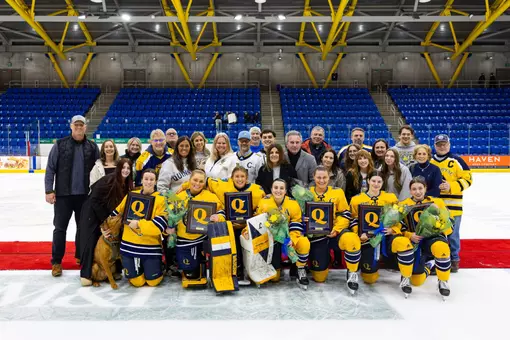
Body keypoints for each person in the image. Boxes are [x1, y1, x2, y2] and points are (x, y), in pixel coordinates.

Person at [45, 114, 100, 277]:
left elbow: (98, 172)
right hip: (63, 196)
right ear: (71, 127)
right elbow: (50, 168)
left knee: (83, 229)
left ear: (85, 127)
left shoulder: (92, 147)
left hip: (84, 196)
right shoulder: (60, 145)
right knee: (60, 229)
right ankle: (56, 262)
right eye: (75, 125)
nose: (78, 127)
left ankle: (80, 256)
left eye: (81, 125)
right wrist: (49, 190)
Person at [349, 171, 415, 297]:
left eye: (379, 181)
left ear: (383, 183)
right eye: (373, 181)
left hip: (387, 236)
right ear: (368, 181)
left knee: (403, 243)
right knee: (370, 278)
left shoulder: (390, 198)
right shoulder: (357, 199)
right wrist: (359, 233)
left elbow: (400, 220)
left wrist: (393, 230)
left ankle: (406, 278)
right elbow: (353, 220)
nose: (376, 184)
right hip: (367, 238)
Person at [206, 165, 265, 284]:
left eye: (242, 176)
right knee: (234, 246)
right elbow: (206, 180)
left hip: (247, 227)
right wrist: (184, 186)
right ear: (231, 178)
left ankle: (253, 270)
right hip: (231, 226)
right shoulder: (224, 186)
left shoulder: (257, 190)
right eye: (237, 176)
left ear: (247, 178)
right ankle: (236, 272)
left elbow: (262, 206)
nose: (240, 179)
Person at [79, 159, 133, 286]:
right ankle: (86, 273)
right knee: (91, 239)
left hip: (107, 213)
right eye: (123, 167)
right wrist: (104, 223)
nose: (125, 170)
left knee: (114, 238)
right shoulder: (108, 180)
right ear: (118, 168)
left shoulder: (127, 184)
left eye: (128, 168)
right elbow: (94, 200)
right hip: (92, 211)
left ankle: (116, 269)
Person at [110, 169, 169, 287]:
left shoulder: (161, 200)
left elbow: (158, 227)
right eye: (146, 179)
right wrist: (106, 228)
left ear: (156, 181)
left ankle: (158, 266)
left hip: (150, 248)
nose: (148, 182)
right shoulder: (131, 196)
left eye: (152, 179)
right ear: (141, 180)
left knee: (153, 282)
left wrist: (138, 224)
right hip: (129, 247)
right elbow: (114, 215)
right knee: (137, 282)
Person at [307, 166, 361, 293]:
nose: (321, 180)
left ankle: (352, 272)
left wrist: (336, 229)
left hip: (335, 232)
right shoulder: (306, 193)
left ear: (329, 178)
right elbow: (300, 215)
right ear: (314, 177)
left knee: (352, 239)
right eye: (318, 177)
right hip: (317, 236)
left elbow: (345, 214)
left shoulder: (337, 192)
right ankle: (324, 259)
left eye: (324, 177)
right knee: (319, 277)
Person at [399, 177, 452, 298]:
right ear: (410, 191)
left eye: (420, 188)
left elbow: (449, 223)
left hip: (432, 238)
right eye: (414, 189)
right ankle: (428, 266)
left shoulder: (437, 202)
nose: (417, 192)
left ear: (425, 188)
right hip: (414, 240)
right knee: (417, 281)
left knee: (441, 247)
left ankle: (443, 281)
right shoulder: (403, 204)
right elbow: (398, 225)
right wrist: (409, 235)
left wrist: (440, 217)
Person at [255, 179, 311, 289]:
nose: (278, 191)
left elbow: (297, 222)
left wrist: (292, 239)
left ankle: (300, 269)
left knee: (304, 242)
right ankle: (271, 267)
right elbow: (257, 222)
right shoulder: (263, 202)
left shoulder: (293, 203)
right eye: (275, 188)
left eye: (281, 188)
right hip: (271, 239)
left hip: (288, 237)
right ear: (271, 189)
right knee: (275, 279)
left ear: (285, 191)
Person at [174, 170, 226, 288]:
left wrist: (218, 217)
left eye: (201, 181)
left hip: (201, 239)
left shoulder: (210, 196)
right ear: (189, 180)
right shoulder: (179, 196)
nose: (197, 183)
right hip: (183, 240)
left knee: (198, 274)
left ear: (204, 183)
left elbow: (221, 212)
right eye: (195, 180)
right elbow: (170, 216)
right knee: (191, 275)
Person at [431, 134, 472, 273]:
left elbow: (468, 179)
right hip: (434, 207)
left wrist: (451, 186)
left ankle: (454, 259)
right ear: (435, 146)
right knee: (435, 233)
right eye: (439, 144)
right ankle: (436, 257)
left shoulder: (457, 161)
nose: (442, 147)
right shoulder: (430, 161)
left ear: (449, 145)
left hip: (453, 206)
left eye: (444, 144)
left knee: (453, 234)